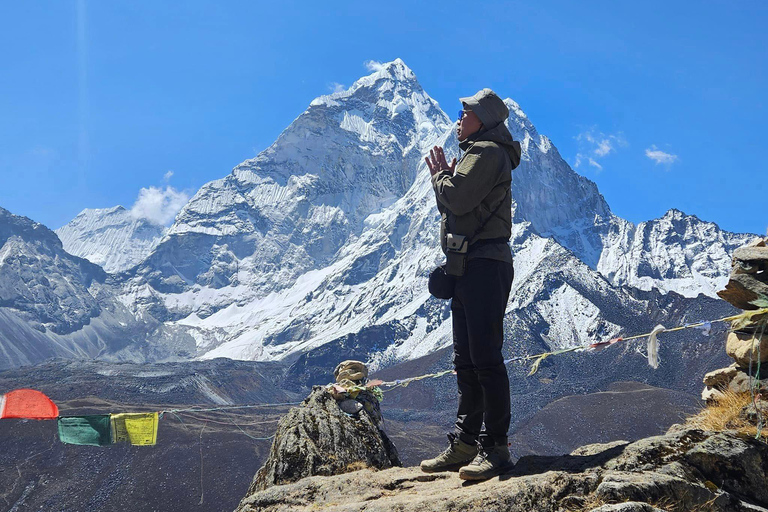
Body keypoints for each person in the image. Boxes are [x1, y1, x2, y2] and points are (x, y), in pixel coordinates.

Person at [420, 88, 521, 481]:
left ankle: (494, 446)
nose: (459, 120)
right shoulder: (477, 151)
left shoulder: (488, 153)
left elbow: (457, 201)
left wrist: (441, 176)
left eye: (466, 114)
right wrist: (446, 177)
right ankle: (465, 442)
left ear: (485, 119)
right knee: (466, 360)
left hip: (484, 265)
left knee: (485, 359)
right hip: (467, 266)